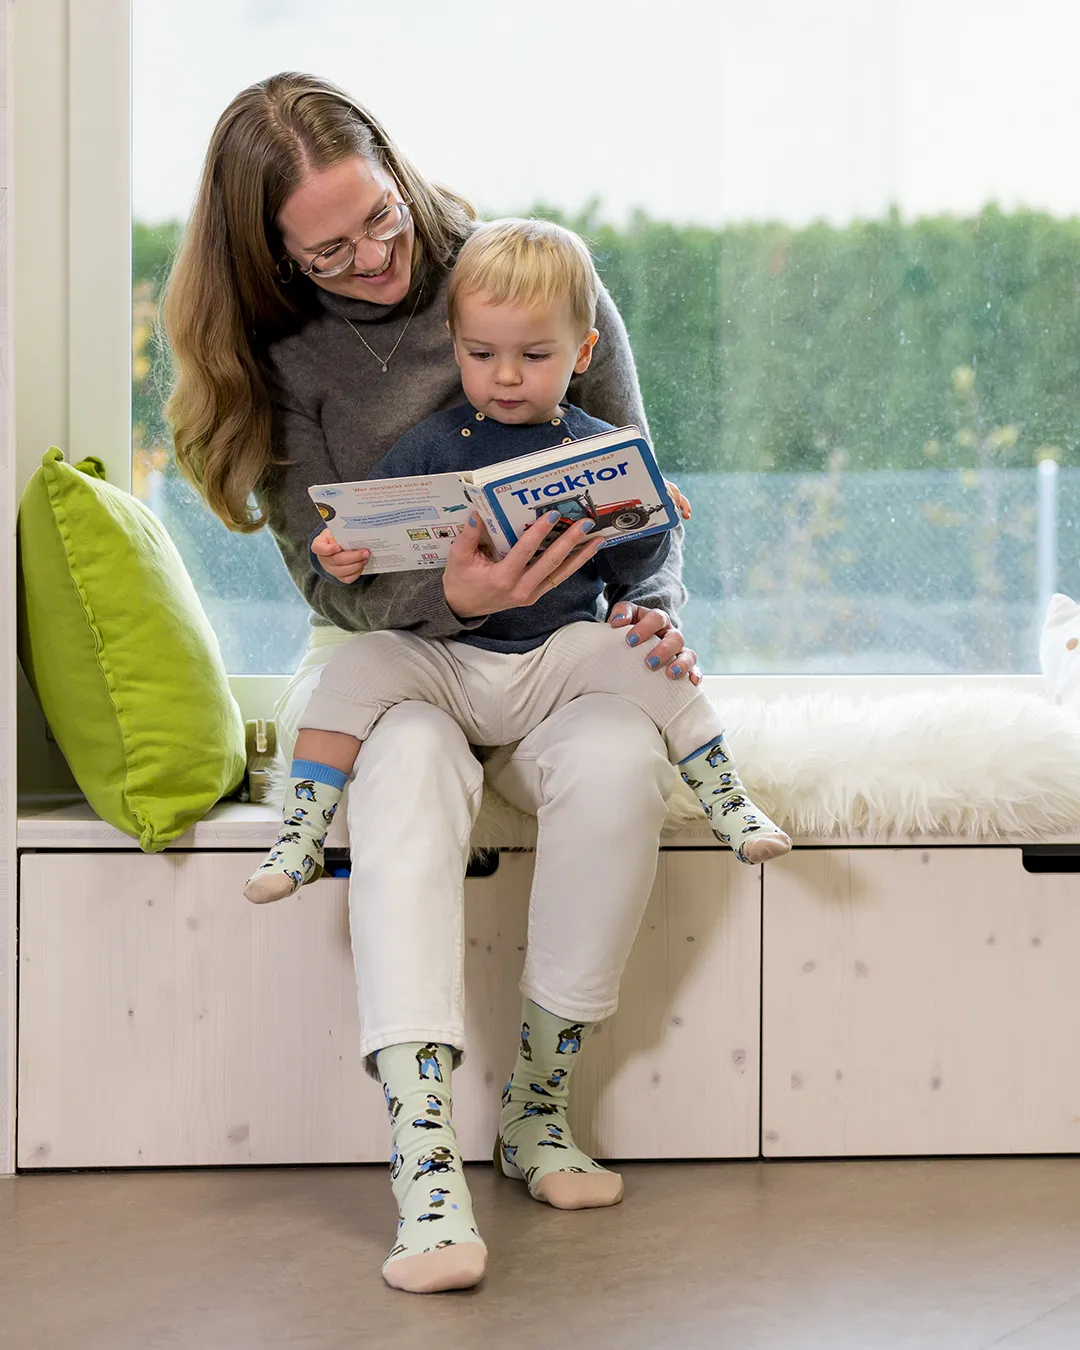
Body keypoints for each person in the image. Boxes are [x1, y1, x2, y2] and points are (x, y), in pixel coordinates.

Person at [162, 71, 726, 1296]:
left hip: (556, 656)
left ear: (398, 174)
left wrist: (649, 618)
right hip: (410, 662)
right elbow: (329, 589)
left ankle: (535, 1109)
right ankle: (426, 1167)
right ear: (271, 259)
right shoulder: (279, 351)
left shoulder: (528, 274)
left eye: (381, 219)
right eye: (328, 251)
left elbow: (635, 479)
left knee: (625, 761)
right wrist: (450, 600)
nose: (370, 256)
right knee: (408, 768)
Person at [244, 217, 790, 916]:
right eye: (480, 353)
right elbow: (376, 530)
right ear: (455, 348)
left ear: (582, 352)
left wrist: (654, 520)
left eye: (534, 356)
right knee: (355, 668)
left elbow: (633, 566)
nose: (505, 376)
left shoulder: (600, 449)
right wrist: (341, 556)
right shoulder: (434, 443)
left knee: (645, 659)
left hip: (555, 662)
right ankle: (300, 832)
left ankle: (729, 801)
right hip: (445, 659)